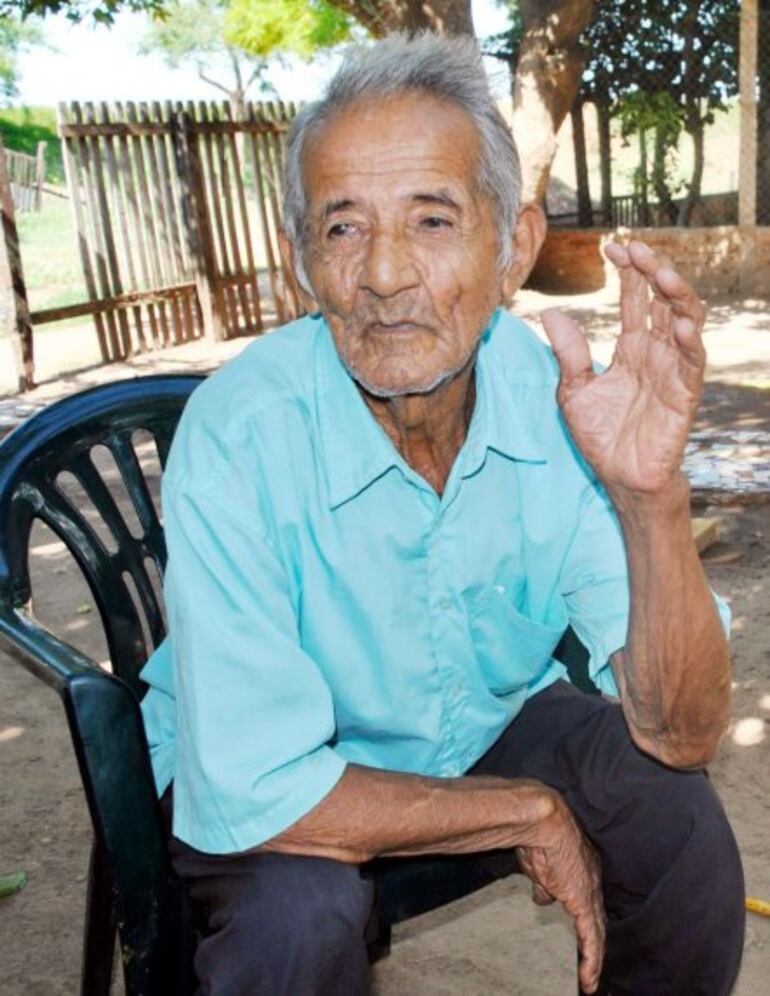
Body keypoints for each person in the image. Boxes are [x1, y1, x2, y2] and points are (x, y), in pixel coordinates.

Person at [140, 32, 745, 996]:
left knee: (672, 813)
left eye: (431, 220)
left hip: (478, 724)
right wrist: (529, 814)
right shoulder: (240, 433)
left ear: (513, 247)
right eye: (341, 228)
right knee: (296, 924)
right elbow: (256, 787)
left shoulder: (557, 395)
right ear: (302, 258)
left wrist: (650, 501)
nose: (382, 275)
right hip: (281, 772)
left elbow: (683, 731)